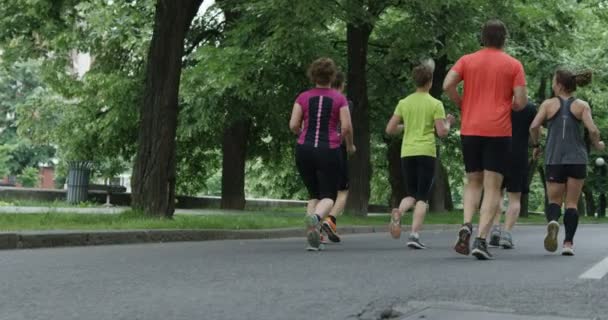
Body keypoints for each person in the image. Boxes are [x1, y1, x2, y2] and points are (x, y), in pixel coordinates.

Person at [443, 19, 528, 260]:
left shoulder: (467, 60)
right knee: (492, 187)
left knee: (473, 181)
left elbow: (447, 84)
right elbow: (521, 102)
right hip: (498, 130)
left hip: (470, 128)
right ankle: (481, 239)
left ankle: (466, 224)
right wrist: (505, 105)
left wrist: (462, 104)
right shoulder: (513, 65)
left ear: (483, 38)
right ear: (505, 39)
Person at [530, 68, 604, 256]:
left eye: (554, 82)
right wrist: (598, 144)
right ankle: (568, 243)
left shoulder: (547, 105)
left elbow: (534, 126)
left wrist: (537, 145)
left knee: (554, 199)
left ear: (560, 85)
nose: (553, 85)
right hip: (577, 159)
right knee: (572, 202)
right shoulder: (581, 105)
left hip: (554, 158)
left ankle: (553, 221)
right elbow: (593, 131)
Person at [385, 61, 454, 249]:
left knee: (411, 194)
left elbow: (390, 129)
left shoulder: (404, 103)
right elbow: (441, 132)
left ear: (414, 81)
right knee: (422, 197)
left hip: (407, 153)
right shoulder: (435, 104)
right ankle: (414, 235)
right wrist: (448, 123)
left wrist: (407, 126)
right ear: (430, 82)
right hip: (426, 152)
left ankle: (399, 211)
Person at [289, 57, 356, 251]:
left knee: (313, 195)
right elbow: (347, 127)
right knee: (328, 197)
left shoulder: (302, 97)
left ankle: (314, 237)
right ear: (332, 76)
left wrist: (304, 135)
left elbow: (293, 124)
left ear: (313, 75)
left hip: (303, 149)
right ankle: (316, 219)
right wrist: (348, 145)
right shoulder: (339, 98)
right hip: (329, 150)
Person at [489, 101, 537, 249]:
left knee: (496, 193)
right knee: (515, 197)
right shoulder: (529, 108)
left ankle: (495, 228)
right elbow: (534, 129)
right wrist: (536, 145)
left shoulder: (497, 103)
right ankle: (507, 234)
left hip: (497, 152)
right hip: (518, 154)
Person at [321, 71, 351, 243]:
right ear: (341, 85)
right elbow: (346, 127)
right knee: (342, 191)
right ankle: (330, 220)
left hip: (319, 148)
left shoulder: (320, 101)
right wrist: (350, 145)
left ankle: (318, 231)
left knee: (323, 193)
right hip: (337, 149)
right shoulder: (343, 102)